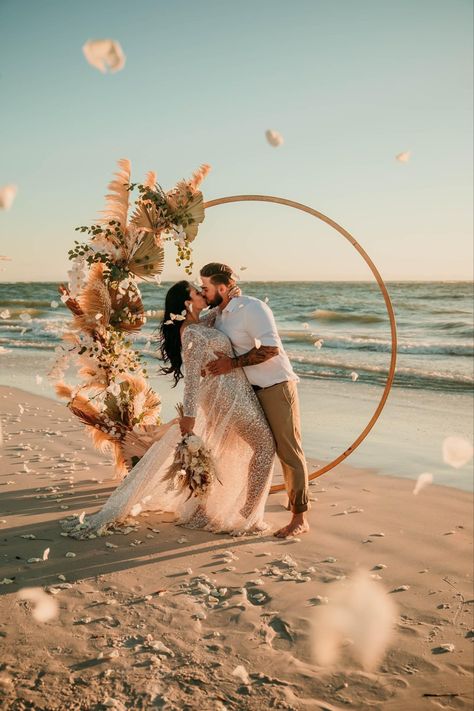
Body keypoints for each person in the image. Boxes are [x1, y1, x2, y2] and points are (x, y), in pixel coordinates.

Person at [61, 281, 275, 538]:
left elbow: (217, 314)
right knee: (264, 445)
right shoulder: (193, 333)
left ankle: (210, 510)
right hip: (226, 396)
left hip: (230, 392)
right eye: (197, 292)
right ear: (187, 303)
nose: (202, 293)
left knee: (221, 451)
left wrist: (230, 295)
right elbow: (193, 378)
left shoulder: (199, 324)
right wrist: (189, 416)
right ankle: (248, 514)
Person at [200, 263, 310, 539]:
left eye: (206, 287)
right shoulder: (219, 315)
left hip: (276, 386)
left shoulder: (253, 308)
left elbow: (271, 349)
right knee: (257, 446)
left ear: (222, 288)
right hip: (248, 389)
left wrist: (232, 364)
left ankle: (299, 518)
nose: (203, 291)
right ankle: (248, 508)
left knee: (288, 449)